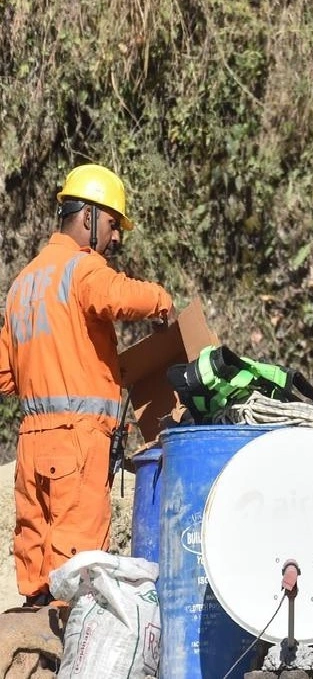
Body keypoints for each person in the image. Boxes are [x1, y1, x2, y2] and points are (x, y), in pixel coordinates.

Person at [0, 164, 174, 606]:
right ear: (89, 216)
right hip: (77, 443)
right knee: (76, 576)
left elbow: (5, 378)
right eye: (113, 224)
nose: (116, 239)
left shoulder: (23, 284)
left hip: (32, 444)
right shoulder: (81, 270)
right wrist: (162, 302)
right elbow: (116, 296)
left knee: (37, 569)